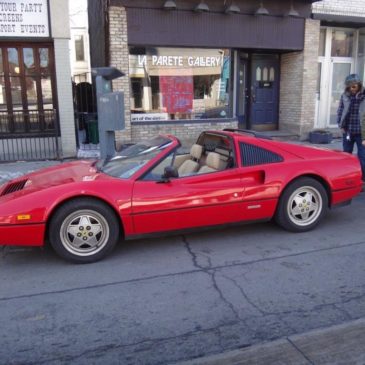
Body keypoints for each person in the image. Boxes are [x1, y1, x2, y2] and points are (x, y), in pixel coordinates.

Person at [337, 73, 365, 182]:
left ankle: (362, 179)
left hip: (361, 133)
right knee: (346, 155)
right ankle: (347, 177)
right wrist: (341, 125)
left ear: (359, 85)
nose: (351, 88)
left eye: (354, 86)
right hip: (348, 131)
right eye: (349, 86)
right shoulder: (345, 95)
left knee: (362, 157)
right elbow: (340, 110)